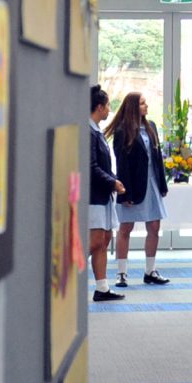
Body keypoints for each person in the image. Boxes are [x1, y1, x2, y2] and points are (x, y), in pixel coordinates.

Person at [109, 92, 172, 286]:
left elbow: (157, 158)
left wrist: (162, 184)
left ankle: (150, 271)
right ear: (133, 107)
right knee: (125, 228)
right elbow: (122, 163)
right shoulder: (122, 130)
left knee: (154, 227)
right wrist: (124, 193)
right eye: (142, 104)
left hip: (152, 184)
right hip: (132, 185)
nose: (146, 106)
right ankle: (121, 273)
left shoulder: (151, 126)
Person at [85, 86, 123, 300]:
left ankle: (102, 288)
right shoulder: (89, 132)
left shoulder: (97, 131)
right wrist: (112, 182)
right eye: (107, 105)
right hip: (93, 196)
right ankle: (68, 273)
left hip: (103, 194)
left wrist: (113, 180)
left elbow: (103, 165)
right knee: (95, 241)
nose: (109, 109)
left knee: (104, 239)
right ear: (99, 107)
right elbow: (90, 167)